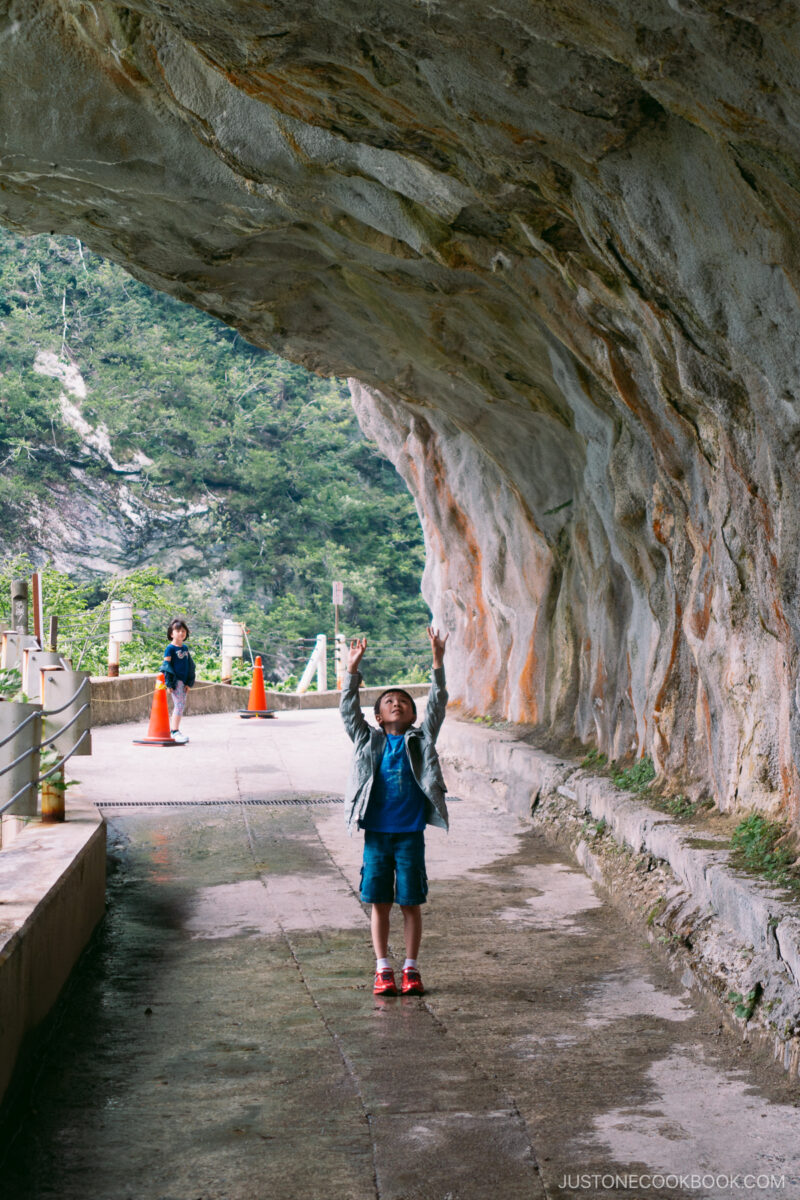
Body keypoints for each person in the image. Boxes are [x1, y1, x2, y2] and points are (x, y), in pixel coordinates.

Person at [340, 626, 449, 997]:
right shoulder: (366, 739)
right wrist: (351, 673)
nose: (396, 704)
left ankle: (411, 969)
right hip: (376, 834)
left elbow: (438, 703)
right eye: (388, 702)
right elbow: (347, 710)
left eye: (403, 701)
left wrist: (437, 660)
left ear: (413, 713)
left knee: (411, 902)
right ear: (378, 715)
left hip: (410, 835)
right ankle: (383, 968)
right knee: (379, 902)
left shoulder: (421, 740)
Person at [162, 618, 196, 744]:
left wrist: (189, 682)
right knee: (179, 705)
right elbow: (166, 666)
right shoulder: (170, 649)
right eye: (178, 631)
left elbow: (190, 666)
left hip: (183, 682)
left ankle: (175, 730)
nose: (181, 633)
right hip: (176, 682)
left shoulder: (185, 648)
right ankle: (174, 731)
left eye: (183, 631)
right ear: (171, 633)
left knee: (180, 705)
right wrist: (169, 683)